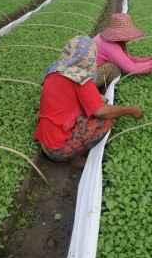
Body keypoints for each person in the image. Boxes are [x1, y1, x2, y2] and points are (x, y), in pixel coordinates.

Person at [34, 36, 143, 167]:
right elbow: (101, 112)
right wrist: (129, 110)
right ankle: (74, 155)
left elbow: (67, 95)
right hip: (58, 149)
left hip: (45, 140)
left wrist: (96, 97)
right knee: (106, 119)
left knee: (96, 106)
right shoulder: (81, 78)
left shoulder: (54, 70)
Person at [93, 13, 152, 89]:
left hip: (85, 71)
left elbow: (128, 59)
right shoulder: (111, 47)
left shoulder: (103, 36)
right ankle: (98, 90)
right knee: (114, 69)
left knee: (116, 65)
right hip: (88, 78)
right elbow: (132, 68)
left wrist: (148, 60)